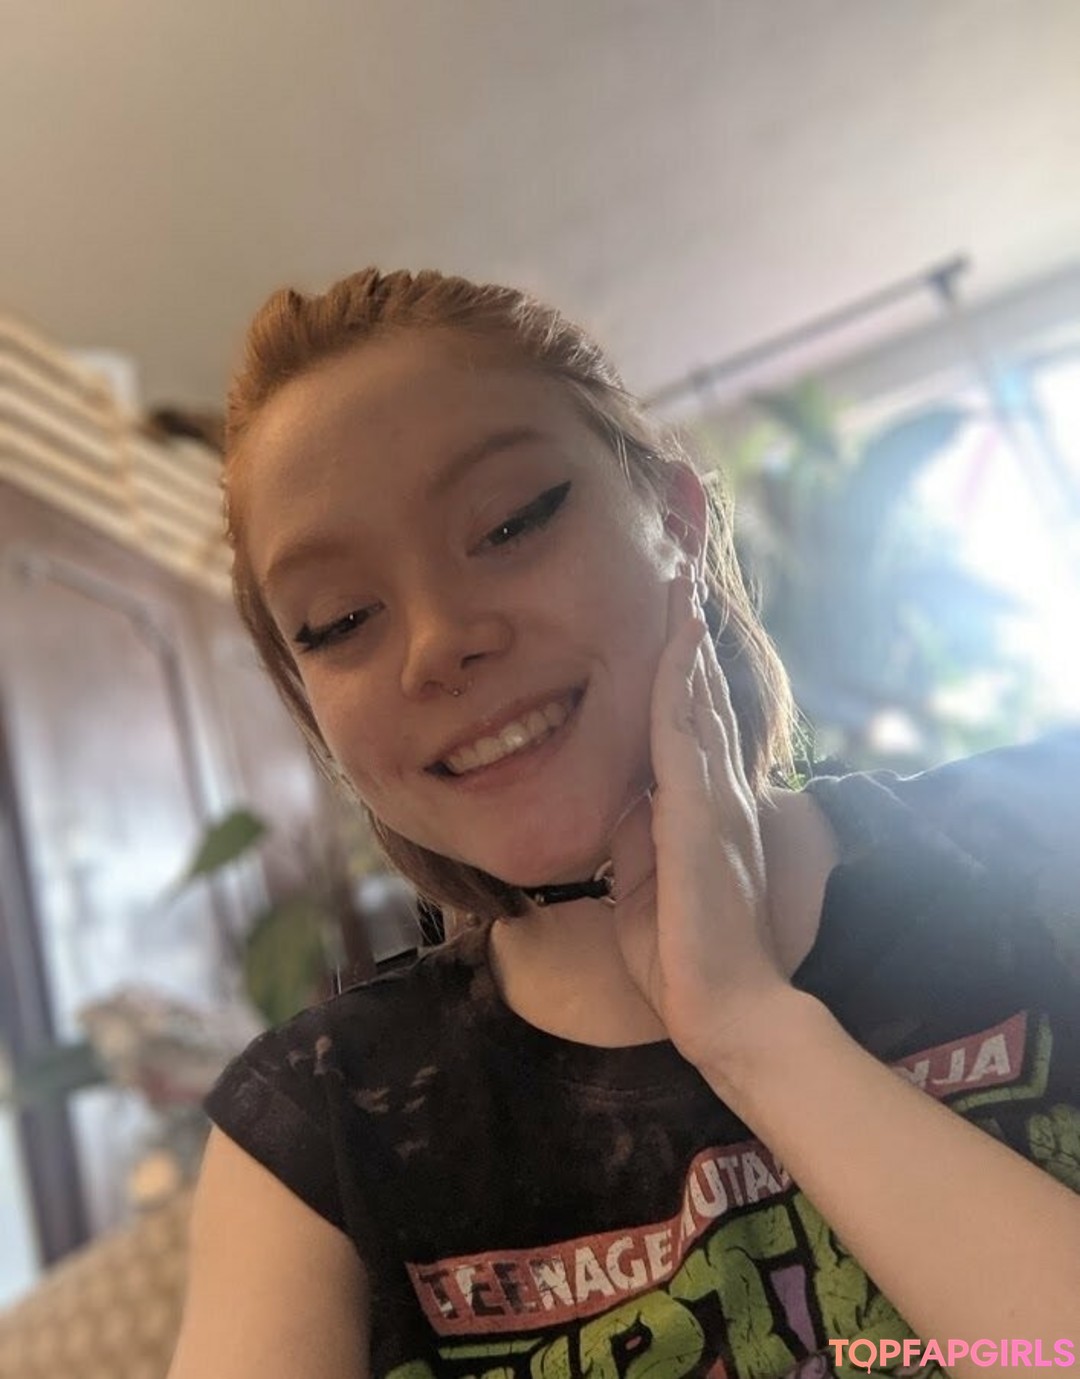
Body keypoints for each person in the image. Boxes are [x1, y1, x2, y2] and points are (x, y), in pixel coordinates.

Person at [167, 268, 1080, 1379]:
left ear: (678, 521)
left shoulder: (1045, 836)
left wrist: (752, 1029)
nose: (437, 643)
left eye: (510, 522)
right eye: (341, 619)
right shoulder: (318, 1131)